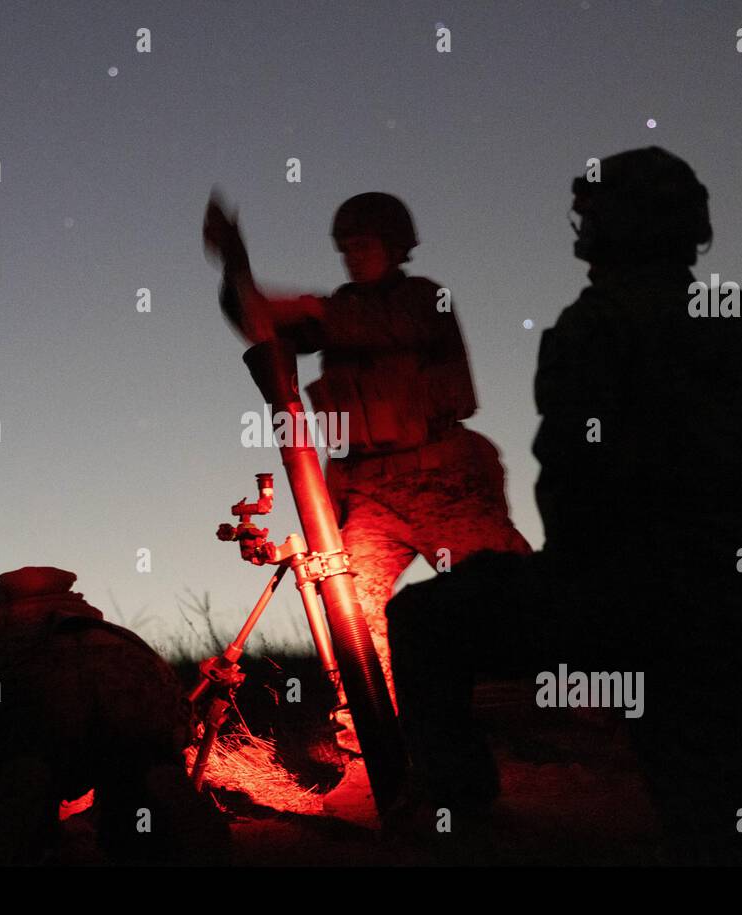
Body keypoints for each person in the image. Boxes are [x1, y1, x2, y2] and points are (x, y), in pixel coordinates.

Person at [385, 147, 742, 864]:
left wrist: (573, 589)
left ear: (614, 225)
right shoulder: (741, 321)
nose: (580, 224)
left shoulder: (590, 328)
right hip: (727, 610)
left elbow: (579, 492)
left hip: (626, 598)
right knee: (720, 815)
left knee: (421, 617)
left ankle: (455, 813)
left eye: (591, 212)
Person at [204, 192, 532, 810]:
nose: (355, 257)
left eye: (367, 244)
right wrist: (235, 262)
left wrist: (298, 309)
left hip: (445, 477)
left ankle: (588, 711)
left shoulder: (421, 298)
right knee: (354, 614)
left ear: (399, 247)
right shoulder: (337, 310)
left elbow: (374, 328)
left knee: (514, 596)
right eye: (347, 247)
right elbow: (256, 321)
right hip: (370, 488)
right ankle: (370, 754)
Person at [0, 566, 230, 864]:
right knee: (147, 769)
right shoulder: (97, 625)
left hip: (46, 684)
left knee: (28, 768)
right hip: (134, 671)